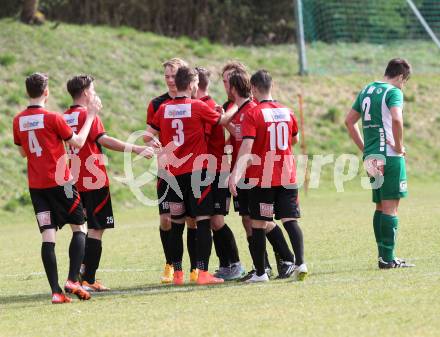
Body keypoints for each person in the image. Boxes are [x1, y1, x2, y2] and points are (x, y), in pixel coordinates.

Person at [12, 73, 101, 303]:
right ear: (46, 92)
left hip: (37, 186)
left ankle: (55, 292)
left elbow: (23, 152)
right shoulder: (53, 118)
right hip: (62, 183)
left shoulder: (18, 120)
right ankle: (72, 279)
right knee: (79, 227)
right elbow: (78, 142)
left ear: (27, 92)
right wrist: (91, 115)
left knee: (48, 236)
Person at [145, 66, 237, 285]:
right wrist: (238, 107)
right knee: (202, 220)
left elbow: (148, 135)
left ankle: (178, 273)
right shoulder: (197, 106)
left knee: (176, 223)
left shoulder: (164, 108)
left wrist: (155, 143)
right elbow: (222, 121)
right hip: (197, 174)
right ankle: (202, 273)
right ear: (193, 83)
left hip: (173, 176)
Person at [64, 75, 155, 291]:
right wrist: (137, 148)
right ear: (86, 93)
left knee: (80, 229)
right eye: (93, 90)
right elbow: (104, 140)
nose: (95, 94)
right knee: (97, 228)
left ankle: (78, 276)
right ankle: (87, 278)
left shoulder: (63, 117)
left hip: (71, 179)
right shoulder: (89, 115)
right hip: (93, 180)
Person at [229, 70, 307, 282]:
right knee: (290, 220)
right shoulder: (287, 110)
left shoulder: (253, 114)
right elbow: (295, 139)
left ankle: (261, 273)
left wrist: (235, 174)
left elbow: (246, 146)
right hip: (287, 174)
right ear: (271, 86)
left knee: (259, 223)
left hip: (262, 177)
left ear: (253, 88)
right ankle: (300, 263)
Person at [345, 58, 415, 269]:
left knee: (380, 206)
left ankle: (383, 256)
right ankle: (388, 258)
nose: (403, 85)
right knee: (391, 208)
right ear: (401, 76)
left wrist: (365, 148)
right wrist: (400, 146)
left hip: (372, 157)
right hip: (390, 157)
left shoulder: (367, 89)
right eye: (405, 81)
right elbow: (396, 119)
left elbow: (349, 121)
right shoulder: (393, 92)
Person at [146, 58, 198, 283]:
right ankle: (170, 264)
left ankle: (196, 268)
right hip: (167, 172)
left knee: (191, 220)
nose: (169, 80)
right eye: (166, 76)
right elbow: (149, 134)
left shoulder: (194, 101)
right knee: (166, 220)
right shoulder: (157, 104)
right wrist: (151, 142)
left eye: (173, 75)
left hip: (191, 171)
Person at [194, 66, 245, 280]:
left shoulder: (208, 106)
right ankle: (227, 265)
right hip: (206, 170)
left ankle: (234, 264)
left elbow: (231, 129)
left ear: (196, 85)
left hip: (217, 171)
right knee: (213, 221)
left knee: (216, 221)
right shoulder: (200, 106)